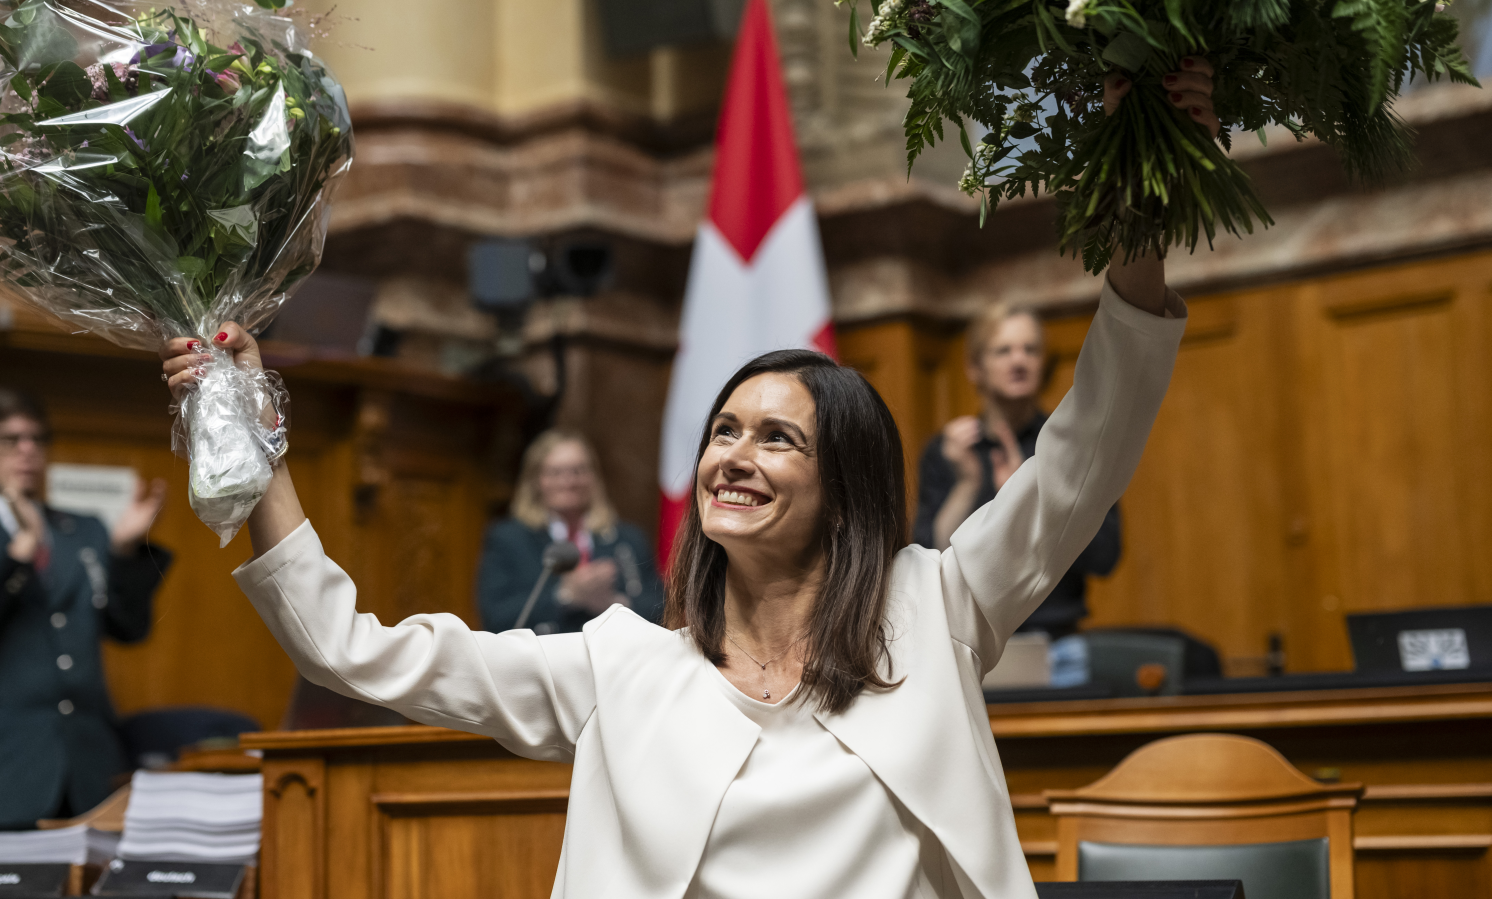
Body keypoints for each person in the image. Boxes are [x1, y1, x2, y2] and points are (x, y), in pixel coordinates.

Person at [160, 63, 1213, 899]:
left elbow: (1082, 456)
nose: (732, 457)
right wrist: (253, 444)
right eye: (722, 431)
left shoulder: (934, 607)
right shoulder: (620, 669)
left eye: (775, 439)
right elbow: (352, 650)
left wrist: (1142, 223)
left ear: (843, 485)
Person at [0, 388, 170, 855]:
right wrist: (17, 554)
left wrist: (125, 553)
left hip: (86, 777)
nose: (27, 451)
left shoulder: (82, 529)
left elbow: (129, 628)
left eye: (37, 439)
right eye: (10, 439)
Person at [912, 304, 1121, 640]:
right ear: (975, 368)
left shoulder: (1075, 445)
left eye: (1030, 349)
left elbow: (1106, 555)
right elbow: (927, 561)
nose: (1019, 361)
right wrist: (968, 484)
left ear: (1044, 362)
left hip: (1056, 635)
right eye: (1003, 351)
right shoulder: (947, 451)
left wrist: (1031, 499)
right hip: (967, 638)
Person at [476, 430, 663, 634]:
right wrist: (566, 594)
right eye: (556, 472)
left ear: (593, 477)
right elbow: (496, 617)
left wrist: (614, 604)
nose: (569, 482)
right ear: (536, 480)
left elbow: (661, 609)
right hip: (545, 659)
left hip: (614, 656)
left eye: (578, 471)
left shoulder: (627, 539)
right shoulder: (510, 539)